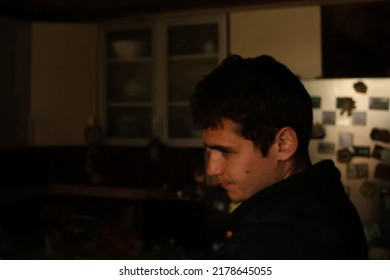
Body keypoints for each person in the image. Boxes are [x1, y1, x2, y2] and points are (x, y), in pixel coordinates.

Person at [190, 54, 368, 259]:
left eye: (225, 152)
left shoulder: (260, 248)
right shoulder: (328, 203)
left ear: (283, 144)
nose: (212, 169)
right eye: (209, 151)